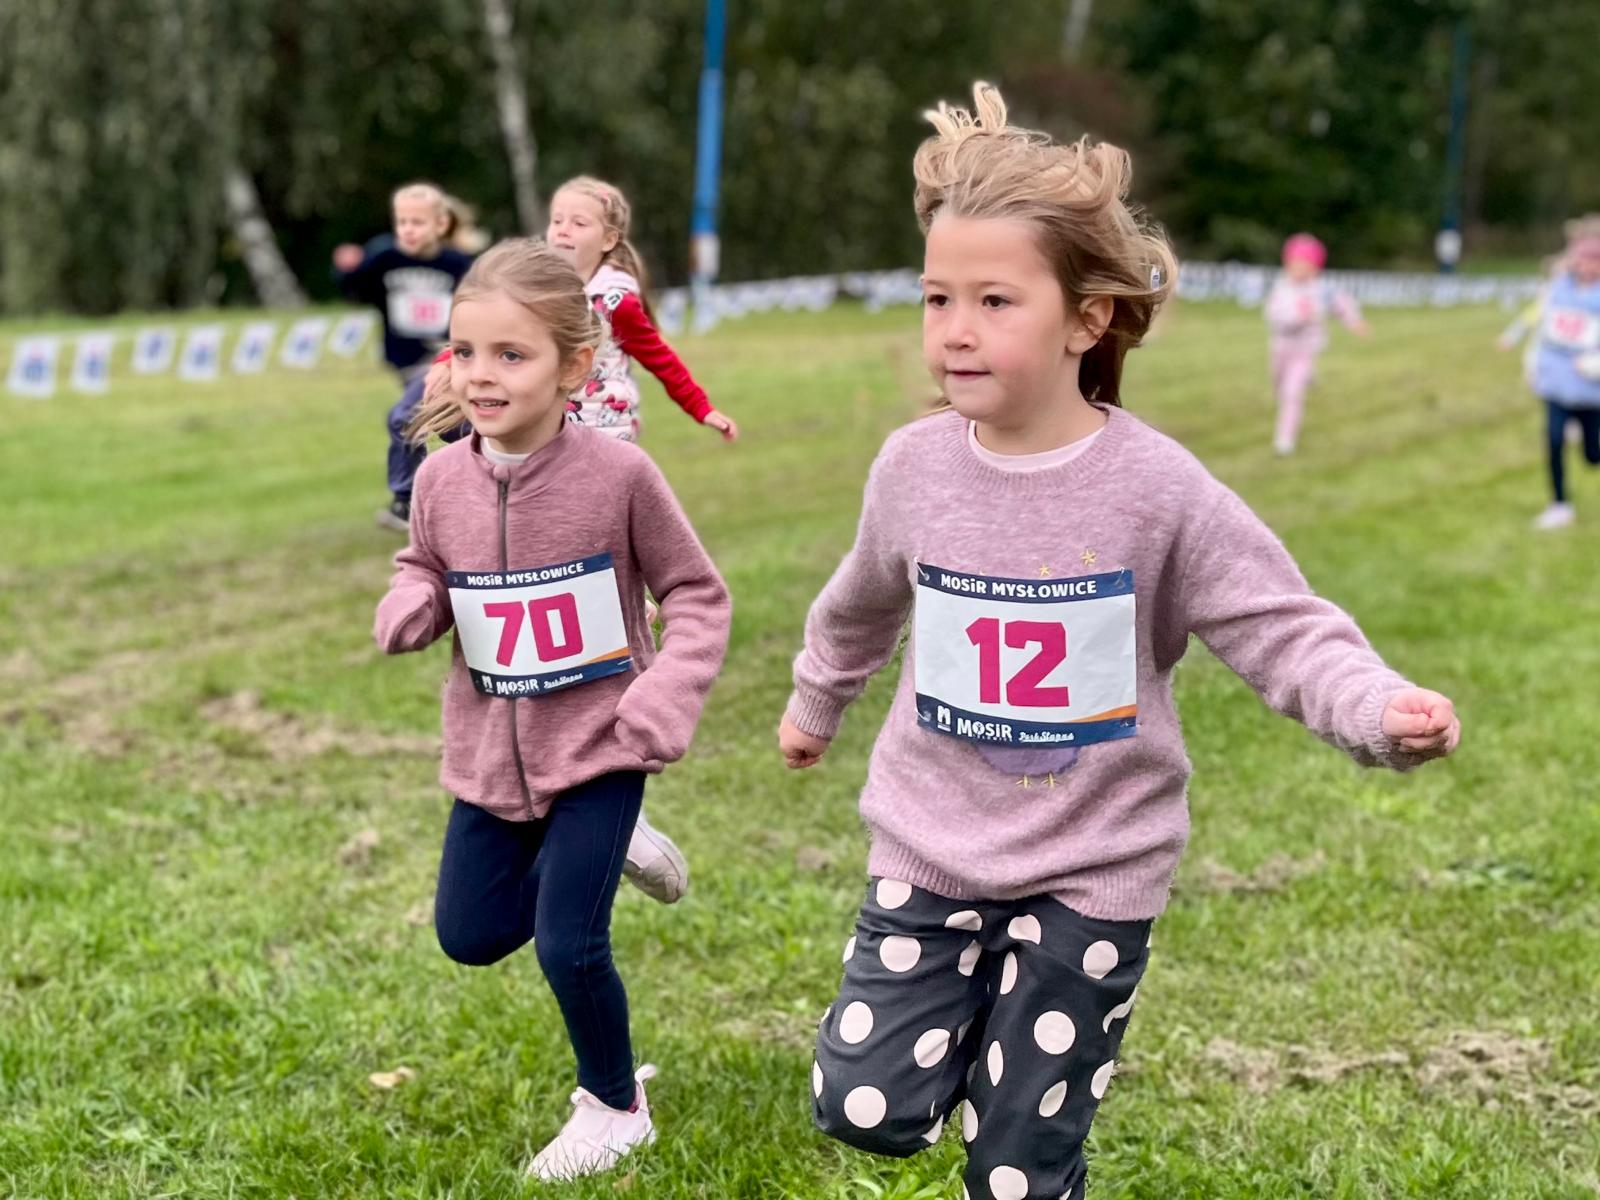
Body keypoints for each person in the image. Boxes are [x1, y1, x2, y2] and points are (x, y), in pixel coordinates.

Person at [778, 83, 1461, 1200]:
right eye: (937, 298)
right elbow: (859, 601)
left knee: (1018, 1166)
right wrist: (818, 699)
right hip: (930, 840)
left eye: (995, 300)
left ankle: (1020, 1096)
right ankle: (966, 1036)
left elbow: (1280, 626)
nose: (955, 329)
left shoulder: (1156, 490)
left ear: (1086, 319)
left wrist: (1374, 710)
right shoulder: (911, 468)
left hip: (1094, 867)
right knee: (863, 1104)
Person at [374, 238, 731, 1180]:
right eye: (465, 352)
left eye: (511, 354)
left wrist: (666, 696)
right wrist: (415, 600)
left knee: (571, 944)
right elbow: (424, 565)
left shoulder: (621, 478)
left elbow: (697, 595)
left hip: (604, 744)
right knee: (470, 935)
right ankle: (613, 853)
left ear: (575, 367)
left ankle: (615, 1108)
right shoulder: (441, 480)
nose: (481, 375)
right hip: (491, 756)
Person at [333, 182, 477, 531]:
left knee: (405, 420)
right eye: (402, 222)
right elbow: (356, 290)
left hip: (444, 358)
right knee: (453, 428)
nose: (408, 230)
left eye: (417, 222)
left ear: (440, 225)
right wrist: (346, 270)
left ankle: (407, 501)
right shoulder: (385, 257)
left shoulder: (457, 264)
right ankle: (499, 476)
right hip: (405, 360)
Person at [1523, 216, 1600, 531]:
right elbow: (1544, 332)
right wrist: (1534, 366)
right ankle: (1559, 504)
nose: (1588, 266)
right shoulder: (1558, 290)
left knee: (1593, 456)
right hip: (1557, 384)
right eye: (1584, 260)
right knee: (1554, 440)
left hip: (1591, 390)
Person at [1262, 232, 1369, 455]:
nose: (1299, 269)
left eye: (1305, 265)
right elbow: (1273, 315)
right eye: (1295, 264)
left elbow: (1342, 305)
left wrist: (1355, 322)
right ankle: (1307, 376)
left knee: (1292, 393)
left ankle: (1285, 440)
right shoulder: (1282, 288)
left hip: (1305, 348)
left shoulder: (1322, 290)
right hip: (1281, 347)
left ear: (1315, 268)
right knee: (1279, 383)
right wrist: (1297, 318)